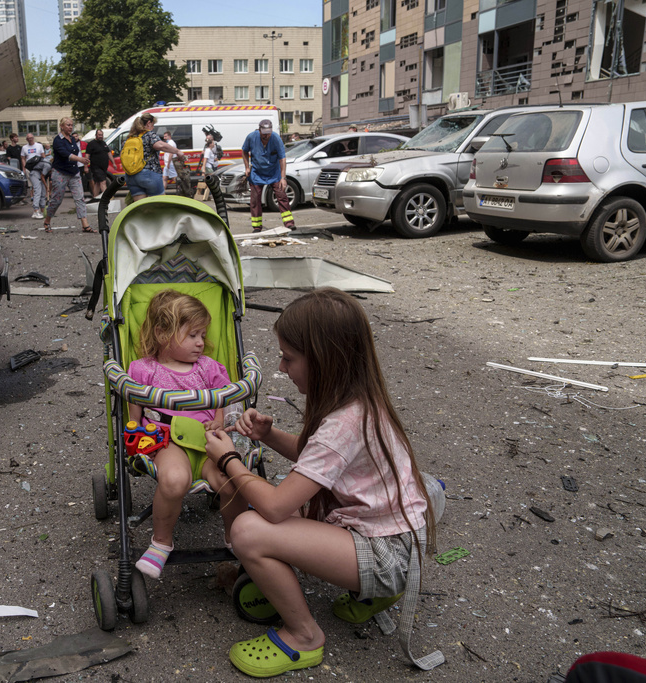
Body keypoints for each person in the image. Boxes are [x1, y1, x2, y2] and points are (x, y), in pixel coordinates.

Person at [203, 288, 440, 678]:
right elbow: (318, 460)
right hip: (397, 536)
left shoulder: (342, 424)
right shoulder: (359, 401)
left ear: (324, 359)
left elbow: (276, 506)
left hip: (386, 555)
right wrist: (269, 435)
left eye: (289, 358)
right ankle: (368, 592)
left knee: (250, 529)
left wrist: (228, 459)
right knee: (288, 505)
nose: (281, 367)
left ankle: (303, 636)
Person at [128, 289, 239, 580]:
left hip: (208, 441)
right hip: (166, 442)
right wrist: (135, 435)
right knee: (175, 480)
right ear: (163, 333)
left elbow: (223, 399)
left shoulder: (209, 368)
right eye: (193, 335)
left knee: (233, 481)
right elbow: (134, 407)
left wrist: (218, 421)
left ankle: (237, 534)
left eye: (203, 334)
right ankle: (162, 541)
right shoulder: (143, 370)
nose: (201, 342)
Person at [241, 119, 295, 232]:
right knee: (255, 200)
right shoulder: (251, 137)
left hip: (273, 173)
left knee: (282, 196)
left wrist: (283, 177)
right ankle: (257, 226)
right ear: (259, 130)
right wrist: (247, 167)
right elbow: (244, 151)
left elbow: (282, 158)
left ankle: (289, 223)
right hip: (257, 173)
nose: (266, 136)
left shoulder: (275, 138)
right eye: (264, 134)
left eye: (268, 133)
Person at [44, 117, 92, 233]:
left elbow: (75, 151)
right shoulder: (57, 140)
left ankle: (85, 224)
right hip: (60, 172)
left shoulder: (72, 139)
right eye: (68, 125)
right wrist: (80, 159)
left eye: (71, 125)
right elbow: (66, 154)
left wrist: (82, 161)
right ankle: (47, 220)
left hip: (74, 172)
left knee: (80, 198)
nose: (70, 127)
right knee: (56, 199)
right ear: (62, 126)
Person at [124, 112, 185, 202]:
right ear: (148, 123)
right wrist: (178, 151)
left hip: (131, 176)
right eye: (153, 125)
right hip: (149, 174)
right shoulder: (149, 135)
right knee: (160, 205)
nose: (153, 128)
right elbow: (160, 145)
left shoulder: (130, 137)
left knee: (141, 207)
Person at [21, 133, 47, 220]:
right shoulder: (24, 148)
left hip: (40, 169)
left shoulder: (39, 146)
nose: (30, 139)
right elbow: (23, 158)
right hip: (31, 170)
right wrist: (24, 169)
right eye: (28, 138)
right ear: (26, 139)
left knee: (42, 190)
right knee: (37, 189)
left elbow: (43, 156)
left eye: (31, 138)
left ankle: (42, 210)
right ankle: (36, 210)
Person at [86, 129, 111, 198]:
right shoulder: (91, 144)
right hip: (96, 167)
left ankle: (95, 197)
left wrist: (113, 163)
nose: (101, 136)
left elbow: (108, 153)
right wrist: (85, 166)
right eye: (99, 135)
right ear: (96, 135)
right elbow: (87, 155)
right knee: (103, 182)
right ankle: (107, 199)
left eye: (102, 135)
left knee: (97, 183)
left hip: (103, 167)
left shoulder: (103, 143)